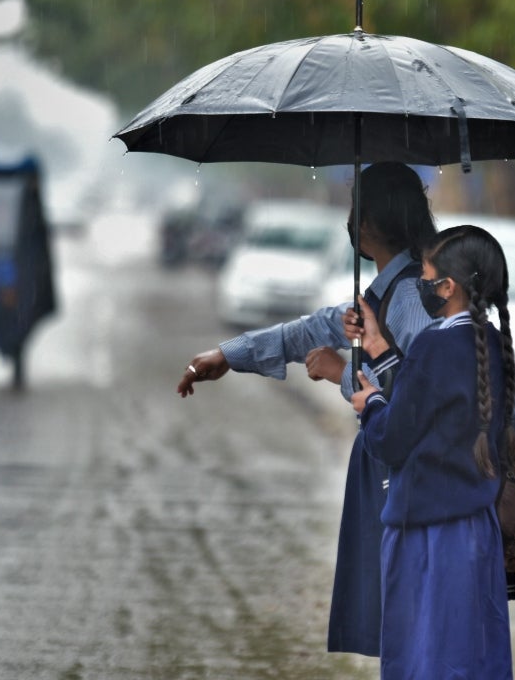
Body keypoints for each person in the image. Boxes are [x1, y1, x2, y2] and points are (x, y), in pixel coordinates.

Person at [176, 161, 440, 657]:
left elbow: (418, 400)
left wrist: (340, 375)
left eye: (354, 208)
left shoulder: (408, 300)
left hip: (410, 476)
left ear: (366, 224)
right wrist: (228, 356)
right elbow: (309, 331)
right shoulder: (383, 294)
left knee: (408, 613)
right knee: (395, 610)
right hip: (389, 469)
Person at [347, 224, 515, 679]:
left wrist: (371, 404)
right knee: (471, 662)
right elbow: (436, 408)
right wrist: (380, 347)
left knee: (425, 663)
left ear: (448, 287)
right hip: (477, 535)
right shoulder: (493, 350)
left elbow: (391, 440)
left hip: (426, 537)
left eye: (424, 276)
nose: (421, 285)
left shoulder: (433, 346)